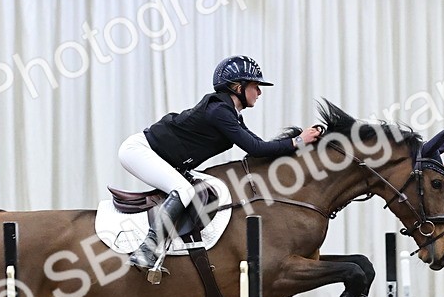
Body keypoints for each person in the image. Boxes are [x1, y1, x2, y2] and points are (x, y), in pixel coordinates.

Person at [119, 55, 321, 272]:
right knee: (184, 190)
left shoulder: (229, 114)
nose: (259, 92)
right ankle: (146, 250)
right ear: (237, 87)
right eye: (255, 86)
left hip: (161, 157)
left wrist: (297, 143)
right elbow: (256, 149)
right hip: (139, 151)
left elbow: (259, 147)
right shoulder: (219, 112)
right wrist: (298, 141)